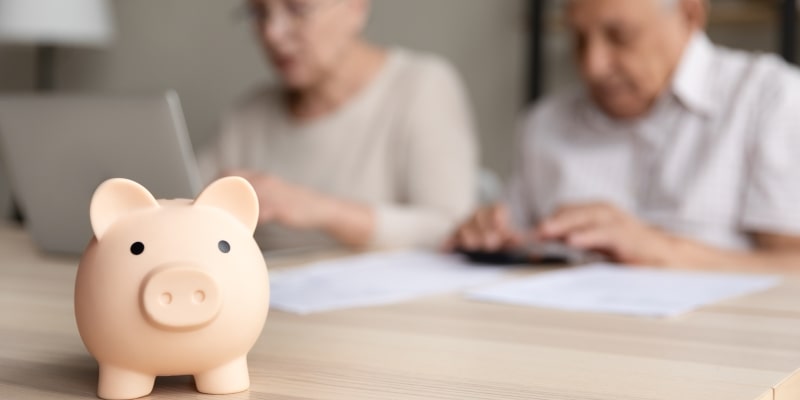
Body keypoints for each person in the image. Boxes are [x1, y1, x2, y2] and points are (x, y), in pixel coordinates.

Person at [448, 0, 800, 269]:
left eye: (621, 36)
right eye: (579, 38)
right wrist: (490, 236)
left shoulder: (768, 101)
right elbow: (516, 240)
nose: (593, 65)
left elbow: (792, 268)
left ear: (690, 14)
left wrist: (663, 251)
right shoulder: (544, 122)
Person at [199, 0, 478, 251]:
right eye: (259, 13)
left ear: (356, 7)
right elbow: (184, 203)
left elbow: (451, 226)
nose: (272, 33)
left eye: (297, 9)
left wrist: (320, 209)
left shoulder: (421, 87)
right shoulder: (248, 115)